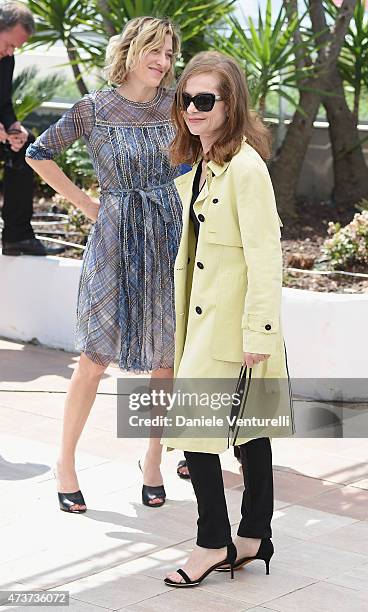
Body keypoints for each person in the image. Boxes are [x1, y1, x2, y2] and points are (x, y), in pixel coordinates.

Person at [25, 16, 185, 511]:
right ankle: (65, 464)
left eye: (170, 54)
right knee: (94, 358)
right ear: (131, 49)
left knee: (165, 358)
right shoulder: (93, 108)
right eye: (154, 51)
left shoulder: (178, 105)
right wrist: (87, 204)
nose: (163, 62)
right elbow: (38, 152)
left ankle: (153, 459)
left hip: (169, 234)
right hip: (114, 238)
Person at [162, 51, 295, 587]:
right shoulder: (202, 164)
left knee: (200, 434)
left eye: (204, 100)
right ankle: (254, 536)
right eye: (185, 99)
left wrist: (258, 332)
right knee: (247, 432)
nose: (192, 109)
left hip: (234, 328)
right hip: (204, 322)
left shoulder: (246, 168)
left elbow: (267, 254)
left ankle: (212, 541)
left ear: (229, 103)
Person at [0, 0, 64, 256]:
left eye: (16, 47)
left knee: (26, 147)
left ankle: (17, 236)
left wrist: (14, 127)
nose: (11, 51)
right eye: (9, 44)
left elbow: (3, 102)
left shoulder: (6, 59)